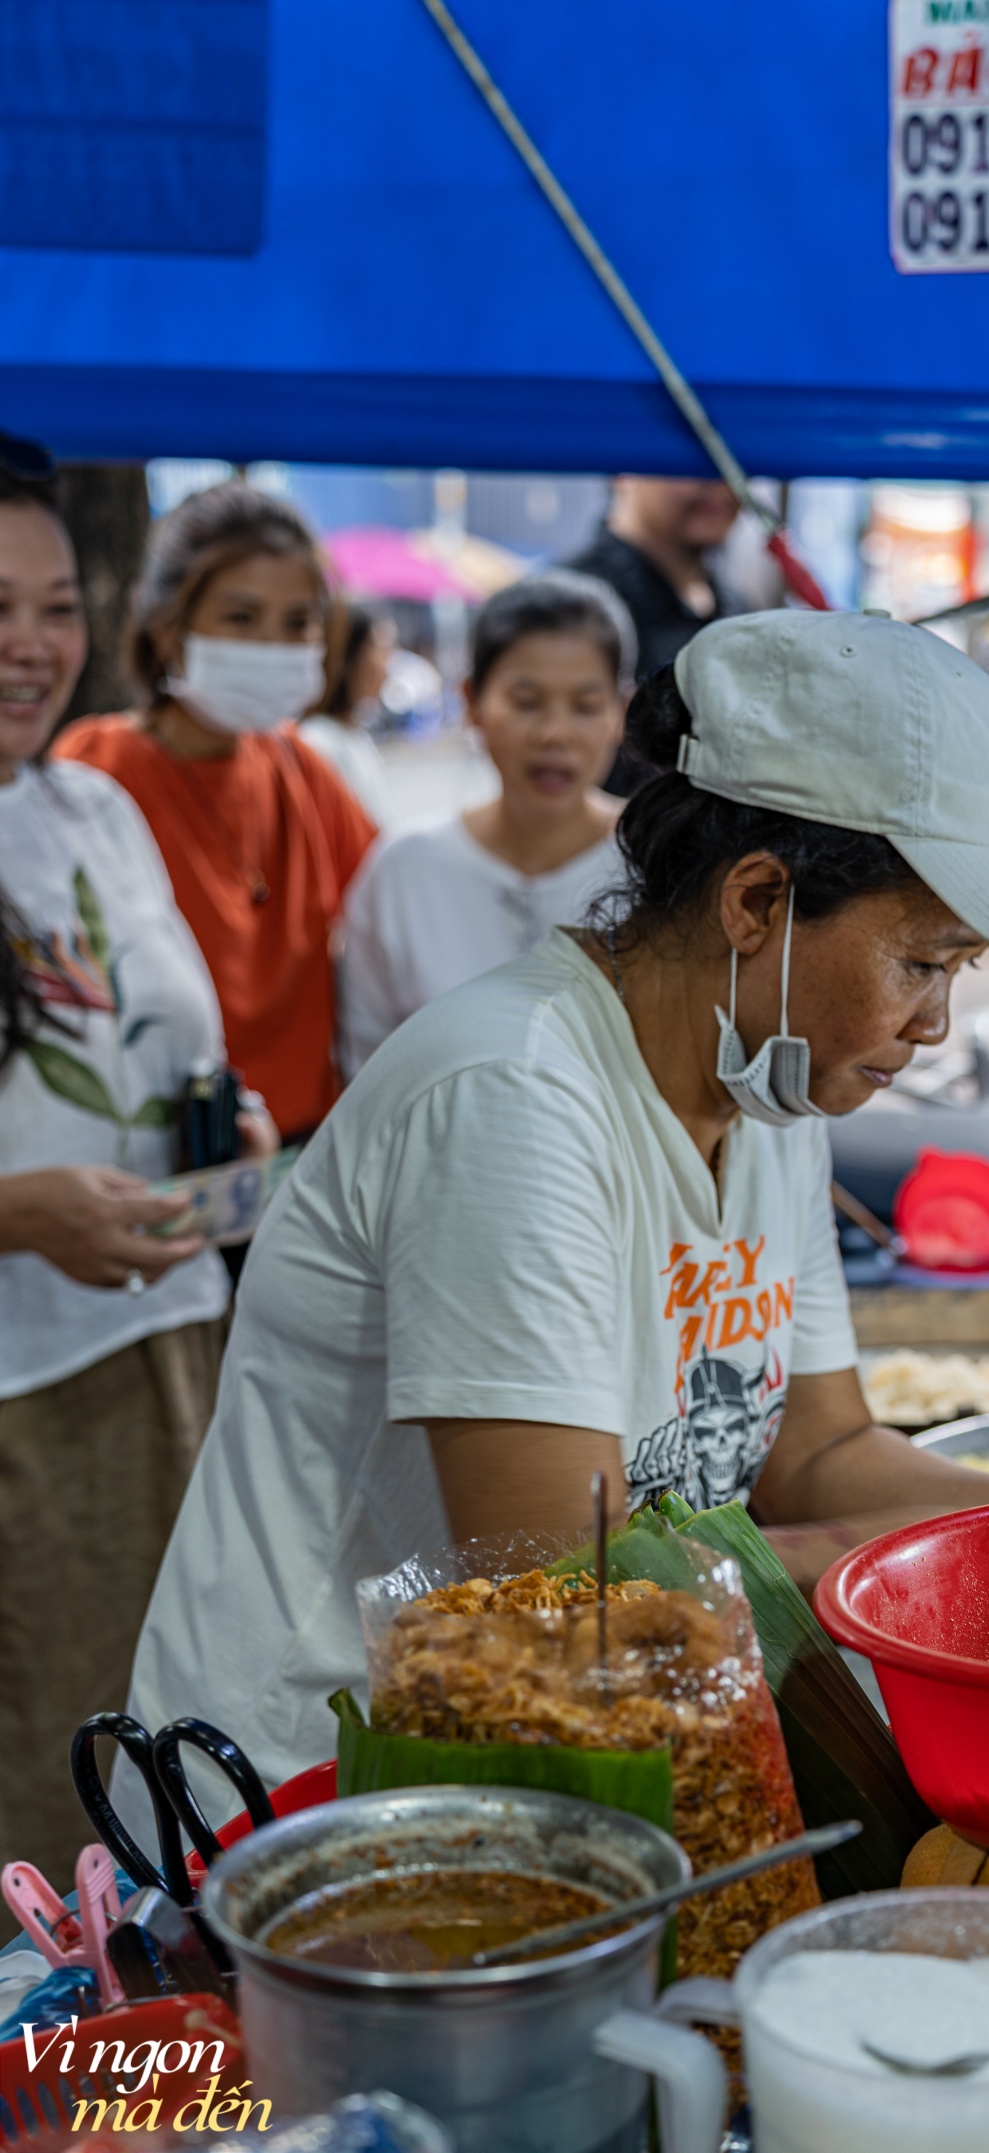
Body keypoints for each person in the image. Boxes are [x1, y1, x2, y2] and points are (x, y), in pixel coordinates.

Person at [118, 609, 989, 1824]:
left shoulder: (773, 1092)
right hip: (315, 1792)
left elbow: (815, 1454)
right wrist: (925, 1563)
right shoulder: (512, 1097)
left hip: (563, 1752)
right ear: (759, 901)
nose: (935, 1024)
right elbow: (571, 1592)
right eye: (923, 962)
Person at [0, 462, 276, 1883]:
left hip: (166, 1346)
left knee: (164, 1768)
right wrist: (16, 1214)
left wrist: (224, 1134)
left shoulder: (86, 811)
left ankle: (147, 2067)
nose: (32, 644)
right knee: (46, 1819)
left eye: (55, 605)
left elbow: (158, 1043)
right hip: (21, 1405)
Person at [54, 483, 376, 1144]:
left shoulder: (305, 771)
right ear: (169, 628)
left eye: (298, 623)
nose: (273, 645)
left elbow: (395, 904)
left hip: (300, 1159)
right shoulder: (93, 770)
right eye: (241, 617)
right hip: (147, 1158)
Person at [338, 573, 631, 1076]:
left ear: (620, 712)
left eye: (585, 706)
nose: (554, 734)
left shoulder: (661, 868)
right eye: (526, 702)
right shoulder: (405, 870)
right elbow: (367, 1067)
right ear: (472, 702)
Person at [564, 478, 745, 790]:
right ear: (624, 476)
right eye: (693, 463)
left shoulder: (739, 611)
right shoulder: (567, 606)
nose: (719, 483)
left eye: (734, 462)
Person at [301, 602, 398, 828]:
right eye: (380, 648)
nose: (388, 663)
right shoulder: (318, 742)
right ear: (347, 659)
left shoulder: (352, 734)